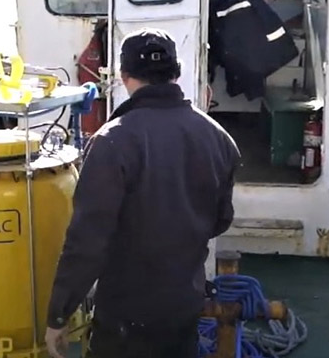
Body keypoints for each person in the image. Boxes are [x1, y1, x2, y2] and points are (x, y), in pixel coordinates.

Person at [44, 28, 240, 358]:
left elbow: (88, 241)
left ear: (123, 75)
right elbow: (220, 221)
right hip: (184, 306)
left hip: (126, 316)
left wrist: (59, 314)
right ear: (176, 73)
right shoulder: (219, 138)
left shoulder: (111, 142)